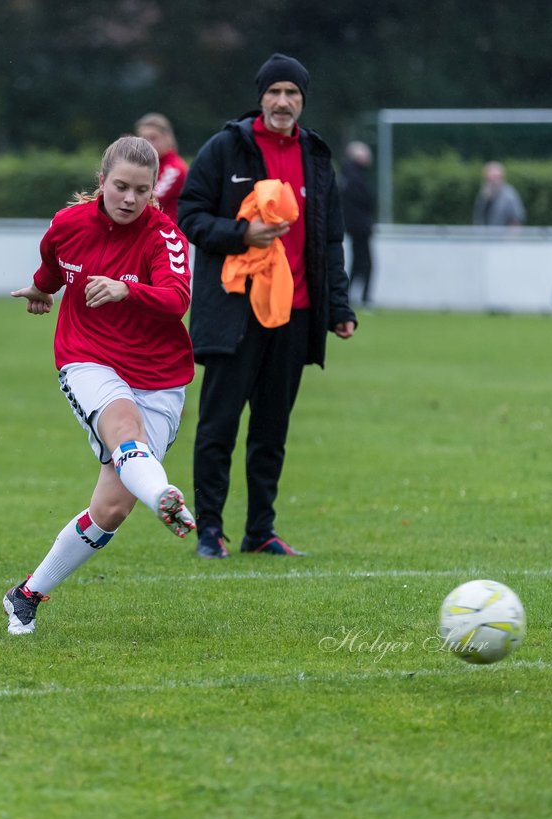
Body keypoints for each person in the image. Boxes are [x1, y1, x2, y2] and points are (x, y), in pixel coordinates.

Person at [3, 135, 196, 635]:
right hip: (86, 358)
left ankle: (25, 596)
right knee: (123, 425)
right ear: (101, 183)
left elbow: (177, 300)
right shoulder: (68, 225)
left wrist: (125, 289)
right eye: (121, 187)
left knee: (110, 509)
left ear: (154, 190)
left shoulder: (164, 236)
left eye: (141, 190)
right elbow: (51, 269)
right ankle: (165, 498)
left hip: (159, 375)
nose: (130, 199)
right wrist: (40, 292)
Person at [178, 52, 357, 560]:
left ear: (303, 101)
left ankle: (261, 531)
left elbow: (330, 240)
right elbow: (188, 214)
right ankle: (209, 531)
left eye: (293, 94)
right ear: (260, 97)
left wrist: (338, 308)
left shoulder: (317, 156)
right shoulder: (225, 148)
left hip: (296, 313)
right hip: (236, 310)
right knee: (218, 425)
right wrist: (241, 234)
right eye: (275, 92)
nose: (283, 102)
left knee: (271, 430)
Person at [339, 141, 376, 306]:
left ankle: (350, 296)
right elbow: (366, 201)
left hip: (354, 226)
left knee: (358, 262)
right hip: (361, 227)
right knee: (366, 263)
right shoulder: (356, 178)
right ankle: (364, 298)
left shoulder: (346, 176)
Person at [135, 112, 189, 222]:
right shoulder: (149, 165)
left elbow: (149, 200)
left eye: (153, 138)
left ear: (168, 138)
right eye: (143, 139)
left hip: (167, 233)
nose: (148, 144)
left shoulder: (174, 168)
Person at [472, 160, 526, 228]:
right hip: (486, 236)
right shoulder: (484, 194)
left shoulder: (510, 196)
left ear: (503, 178)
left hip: (501, 237)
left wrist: (510, 238)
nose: (493, 181)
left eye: (496, 177)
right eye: (489, 179)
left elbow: (516, 220)